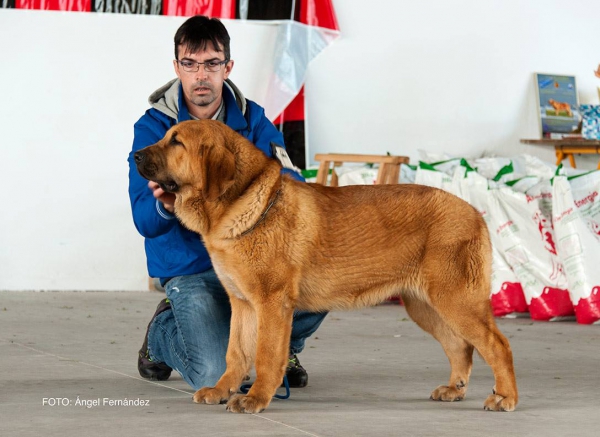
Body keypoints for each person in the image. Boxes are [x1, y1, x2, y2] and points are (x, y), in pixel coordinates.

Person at [127, 15, 327, 390]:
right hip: (190, 270)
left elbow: (291, 181)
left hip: (250, 261)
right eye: (190, 63)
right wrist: (166, 206)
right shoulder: (153, 128)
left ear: (227, 67)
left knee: (323, 278)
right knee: (209, 374)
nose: (201, 75)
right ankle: (161, 334)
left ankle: (282, 348)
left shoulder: (253, 120)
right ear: (177, 67)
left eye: (211, 63)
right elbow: (144, 220)